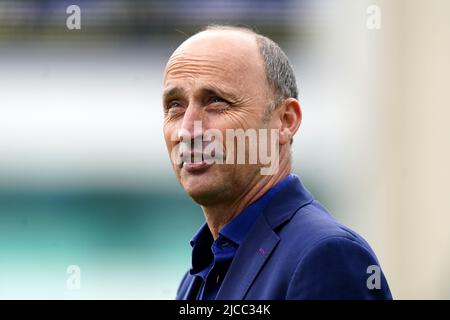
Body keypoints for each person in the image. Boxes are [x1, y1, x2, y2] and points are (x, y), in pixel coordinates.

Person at [162, 25, 392, 300]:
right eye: (175, 105)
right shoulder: (196, 277)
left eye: (216, 101)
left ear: (285, 121)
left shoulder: (325, 257)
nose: (187, 131)